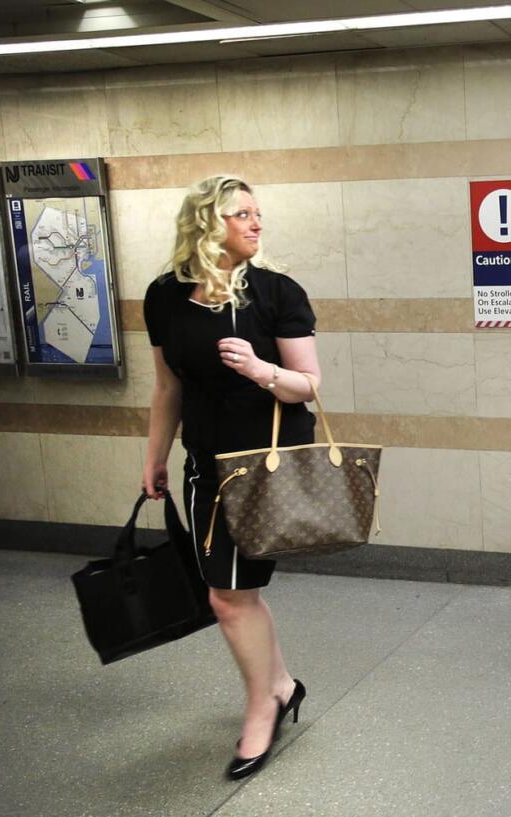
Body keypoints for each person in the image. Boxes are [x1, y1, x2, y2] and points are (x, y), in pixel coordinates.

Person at [140, 175, 319, 779]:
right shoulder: (165, 296)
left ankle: (261, 706)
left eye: (258, 214)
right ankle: (283, 685)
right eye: (243, 213)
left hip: (264, 465)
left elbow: (309, 384)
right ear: (207, 222)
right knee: (238, 594)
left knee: (227, 596)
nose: (256, 223)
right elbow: (167, 387)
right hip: (204, 463)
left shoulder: (276, 292)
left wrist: (261, 368)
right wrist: (154, 456)